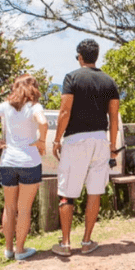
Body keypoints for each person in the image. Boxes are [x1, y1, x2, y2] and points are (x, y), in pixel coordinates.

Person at [51, 39, 120, 257]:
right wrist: (111, 148)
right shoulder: (109, 82)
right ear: (96, 56)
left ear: (80, 57)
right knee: (95, 191)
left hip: (76, 141)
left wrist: (56, 139)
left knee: (67, 193)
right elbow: (114, 118)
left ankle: (65, 243)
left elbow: (64, 111)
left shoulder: (72, 77)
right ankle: (87, 241)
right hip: (100, 140)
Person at [0, 74, 48, 261]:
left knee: (9, 208)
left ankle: (8, 250)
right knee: (24, 209)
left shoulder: (4, 107)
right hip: (29, 161)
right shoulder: (34, 107)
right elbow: (43, 122)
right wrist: (42, 141)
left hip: (8, 161)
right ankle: (20, 251)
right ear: (33, 88)